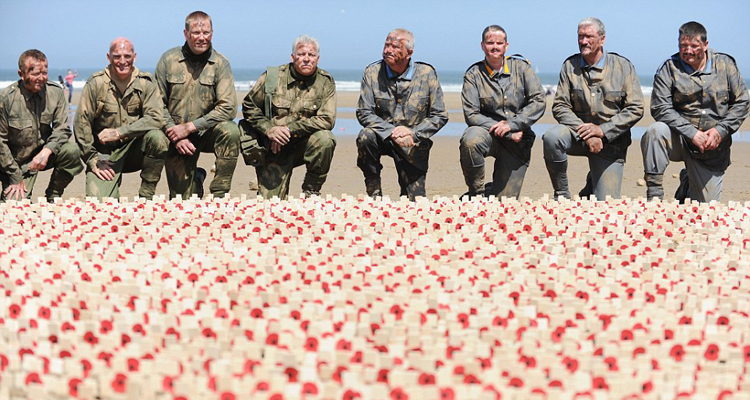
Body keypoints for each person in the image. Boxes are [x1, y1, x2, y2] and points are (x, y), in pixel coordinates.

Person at [641, 21, 749, 202]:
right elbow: (660, 107)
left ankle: (687, 182)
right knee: (655, 131)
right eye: (683, 45)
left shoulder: (726, 65)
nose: (688, 50)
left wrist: (720, 131)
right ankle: (655, 194)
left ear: (706, 45)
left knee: (705, 206)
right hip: (680, 139)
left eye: (694, 46)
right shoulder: (669, 68)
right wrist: (691, 133)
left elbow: (742, 103)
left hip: (712, 146)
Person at [543, 17, 644, 200]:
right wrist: (587, 133)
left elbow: (635, 108)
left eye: (589, 36)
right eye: (580, 36)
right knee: (552, 137)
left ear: (602, 39)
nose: (583, 41)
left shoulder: (623, 67)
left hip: (611, 142)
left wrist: (602, 131)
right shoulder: (569, 66)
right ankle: (562, 195)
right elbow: (560, 106)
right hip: (578, 135)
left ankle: (593, 183)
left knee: (606, 203)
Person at [155, 10, 240, 199]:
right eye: (196, 33)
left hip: (206, 131)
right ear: (186, 34)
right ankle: (197, 180)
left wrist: (191, 127)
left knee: (231, 131)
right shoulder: (168, 60)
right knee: (183, 200)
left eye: (206, 33)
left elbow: (229, 108)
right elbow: (156, 104)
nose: (202, 38)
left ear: (212, 33)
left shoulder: (220, 64)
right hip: (177, 137)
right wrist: (175, 133)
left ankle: (219, 193)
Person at [356, 28, 448, 200]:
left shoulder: (427, 74)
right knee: (365, 136)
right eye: (386, 45)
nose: (387, 50)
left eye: (395, 46)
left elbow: (440, 115)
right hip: (383, 137)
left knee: (414, 202)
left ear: (409, 52)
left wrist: (413, 133)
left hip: (412, 144)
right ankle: (374, 192)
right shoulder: (372, 72)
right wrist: (391, 131)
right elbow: (364, 112)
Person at [240, 35, 336, 200]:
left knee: (325, 139)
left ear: (318, 59)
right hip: (274, 148)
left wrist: (288, 130)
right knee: (271, 203)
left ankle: (311, 190)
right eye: (301, 54)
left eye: (311, 55)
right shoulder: (272, 77)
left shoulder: (325, 82)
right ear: (293, 57)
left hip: (303, 145)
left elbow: (327, 119)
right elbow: (249, 106)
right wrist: (269, 130)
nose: (306, 59)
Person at [74, 38, 167, 199]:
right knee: (100, 205)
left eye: (127, 56)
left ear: (134, 57)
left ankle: (146, 195)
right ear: (109, 57)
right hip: (105, 156)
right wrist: (91, 158)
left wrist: (120, 132)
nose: (122, 61)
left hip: (135, 152)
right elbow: (81, 123)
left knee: (158, 138)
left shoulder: (146, 83)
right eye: (117, 56)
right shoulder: (96, 83)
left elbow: (156, 118)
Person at [459, 25, 546, 199]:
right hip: (488, 135)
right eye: (490, 42)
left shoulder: (522, 68)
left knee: (504, 203)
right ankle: (476, 194)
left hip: (518, 141)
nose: (495, 47)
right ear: (482, 45)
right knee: (470, 140)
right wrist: (506, 132)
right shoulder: (473, 74)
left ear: (506, 45)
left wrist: (513, 125)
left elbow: (539, 101)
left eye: (499, 43)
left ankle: (492, 189)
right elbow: (471, 114)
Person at [0, 50, 82, 201]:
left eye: (44, 73)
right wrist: (14, 175)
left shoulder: (55, 92)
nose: (41, 78)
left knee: (72, 151)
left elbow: (62, 129)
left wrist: (47, 151)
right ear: (21, 74)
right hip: (14, 163)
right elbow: (0, 143)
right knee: (15, 208)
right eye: (35, 73)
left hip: (43, 154)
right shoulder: (7, 99)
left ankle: (53, 195)